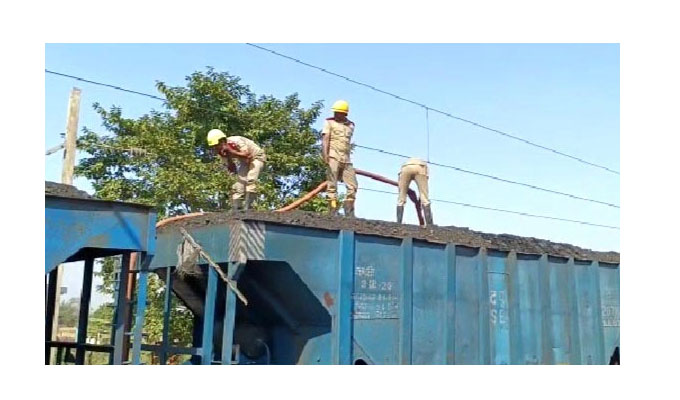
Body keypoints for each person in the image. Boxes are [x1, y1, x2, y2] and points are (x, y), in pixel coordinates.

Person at [206, 129, 266, 210]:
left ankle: (248, 208)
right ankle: (236, 210)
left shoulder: (236, 141)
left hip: (257, 157)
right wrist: (228, 156)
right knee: (237, 187)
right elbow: (232, 169)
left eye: (216, 145)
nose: (215, 148)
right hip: (244, 161)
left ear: (223, 141)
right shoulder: (221, 152)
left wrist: (231, 151)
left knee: (250, 180)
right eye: (213, 147)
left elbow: (248, 156)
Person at [321, 100, 358, 217]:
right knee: (332, 185)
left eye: (339, 112)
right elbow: (325, 139)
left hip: (346, 159)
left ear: (344, 113)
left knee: (353, 185)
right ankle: (332, 210)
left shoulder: (351, 125)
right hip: (333, 156)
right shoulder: (329, 122)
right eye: (335, 112)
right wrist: (325, 155)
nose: (336, 114)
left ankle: (349, 210)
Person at [397, 157, 433, 226]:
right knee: (425, 198)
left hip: (406, 167)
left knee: (401, 196)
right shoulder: (424, 166)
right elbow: (425, 182)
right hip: (421, 166)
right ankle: (430, 225)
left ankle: (398, 223)